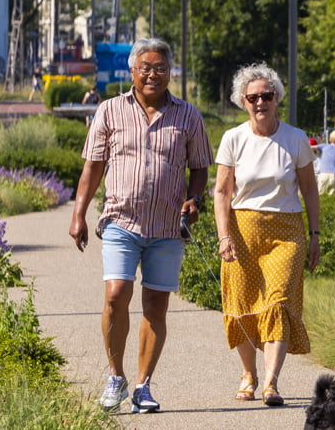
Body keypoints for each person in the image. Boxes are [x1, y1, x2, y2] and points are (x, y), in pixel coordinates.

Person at [67, 38, 211, 414]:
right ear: (132, 72)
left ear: (170, 72)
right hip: (121, 220)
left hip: (167, 227)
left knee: (155, 308)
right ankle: (116, 376)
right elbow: (92, 167)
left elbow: (199, 166)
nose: (153, 74)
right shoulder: (109, 111)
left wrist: (194, 199)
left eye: (160, 67)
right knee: (116, 295)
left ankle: (143, 386)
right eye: (145, 67)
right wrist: (78, 214)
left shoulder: (188, 115)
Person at [213, 63, 322, 407]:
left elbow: (309, 188)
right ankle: (249, 374)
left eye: (267, 96)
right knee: (241, 306)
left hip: (286, 232)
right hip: (241, 230)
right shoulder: (234, 138)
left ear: (277, 98)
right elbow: (221, 192)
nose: (261, 102)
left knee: (278, 303)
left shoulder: (295, 138)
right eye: (254, 97)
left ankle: (271, 382)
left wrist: (315, 234)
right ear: (243, 102)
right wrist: (223, 235)